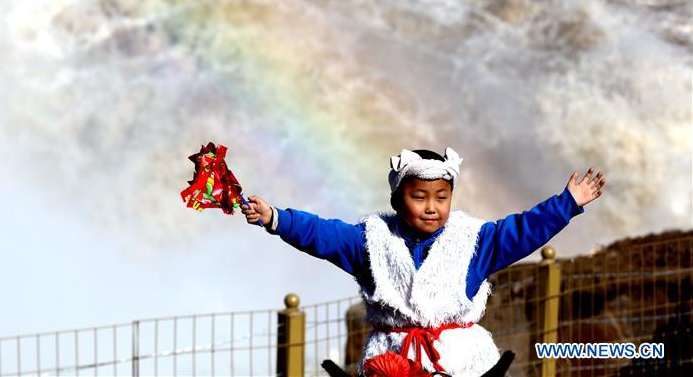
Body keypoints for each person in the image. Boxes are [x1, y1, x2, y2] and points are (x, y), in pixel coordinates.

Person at [243, 147, 606, 377]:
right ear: (398, 199)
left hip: (461, 364)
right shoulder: (371, 240)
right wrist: (275, 217)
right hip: (392, 361)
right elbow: (321, 234)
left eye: (441, 197)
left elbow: (524, 229)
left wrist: (567, 203)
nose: (432, 207)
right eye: (419, 196)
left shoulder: (474, 241)